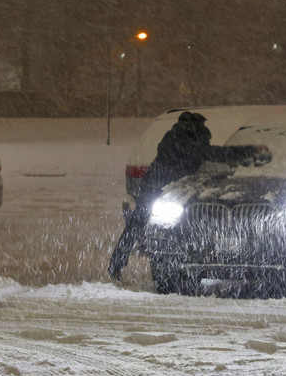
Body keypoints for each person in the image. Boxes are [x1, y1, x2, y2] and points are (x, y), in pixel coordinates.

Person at [108, 111, 252, 281]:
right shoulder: (187, 142)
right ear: (197, 129)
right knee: (145, 227)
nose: (206, 138)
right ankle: (131, 263)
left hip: (154, 187)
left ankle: (116, 265)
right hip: (161, 190)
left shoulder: (174, 137)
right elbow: (212, 153)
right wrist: (245, 152)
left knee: (135, 227)